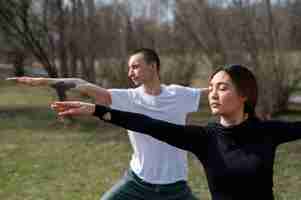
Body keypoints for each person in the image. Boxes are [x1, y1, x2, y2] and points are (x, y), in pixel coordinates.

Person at [52, 64, 301, 200]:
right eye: (211, 87)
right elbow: (148, 124)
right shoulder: (206, 139)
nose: (213, 94)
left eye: (222, 88)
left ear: (244, 94)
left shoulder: (268, 131)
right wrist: (98, 110)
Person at [8, 48, 207, 200]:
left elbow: (218, 93)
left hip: (174, 187)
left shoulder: (179, 95)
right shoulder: (128, 98)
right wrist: (43, 82)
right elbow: (81, 83)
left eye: (135, 66)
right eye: (129, 68)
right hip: (137, 183)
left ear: (153, 66)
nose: (130, 72)